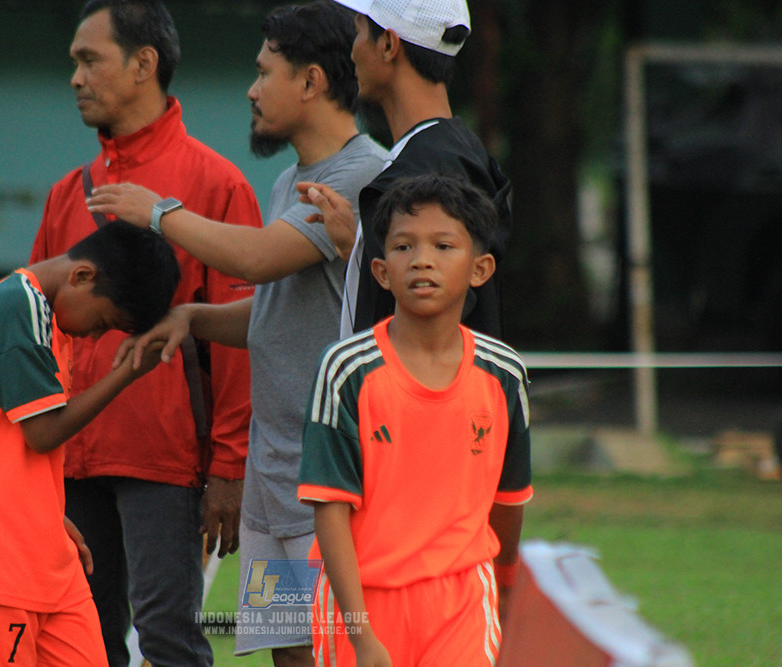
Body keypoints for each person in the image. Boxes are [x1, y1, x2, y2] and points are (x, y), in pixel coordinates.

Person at [94, 3, 386, 664]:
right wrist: (195, 318)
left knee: (330, 650)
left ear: (311, 83)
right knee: (288, 652)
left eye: (264, 73)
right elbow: (275, 307)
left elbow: (255, 259)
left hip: (329, 476)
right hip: (271, 472)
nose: (251, 91)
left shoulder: (362, 173)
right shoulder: (291, 180)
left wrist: (158, 212)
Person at [28, 1, 263, 664]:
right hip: (69, 458)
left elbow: (238, 342)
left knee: (168, 639)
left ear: (143, 64)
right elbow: (36, 327)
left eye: (89, 59)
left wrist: (228, 465)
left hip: (166, 462)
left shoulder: (216, 184)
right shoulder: (64, 193)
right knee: (79, 641)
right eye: (75, 61)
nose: (75, 76)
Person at [0, 221, 180, 667]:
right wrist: (129, 371)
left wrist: (45, 510)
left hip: (43, 557)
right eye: (102, 322)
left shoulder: (50, 320)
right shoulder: (14, 304)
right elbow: (43, 432)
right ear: (82, 276)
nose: (95, 337)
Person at [297, 174, 532, 665]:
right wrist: (361, 638)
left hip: (462, 597)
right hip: (361, 604)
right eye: (404, 246)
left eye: (444, 245)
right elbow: (330, 511)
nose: (422, 259)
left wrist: (506, 587)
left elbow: (508, 499)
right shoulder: (346, 371)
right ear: (381, 271)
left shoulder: (503, 373)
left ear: (480, 268)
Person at [299, 0, 513, 340]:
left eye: (357, 33)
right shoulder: (453, 150)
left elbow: (431, 331)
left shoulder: (427, 175)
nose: (351, 52)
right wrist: (356, 242)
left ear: (388, 45)